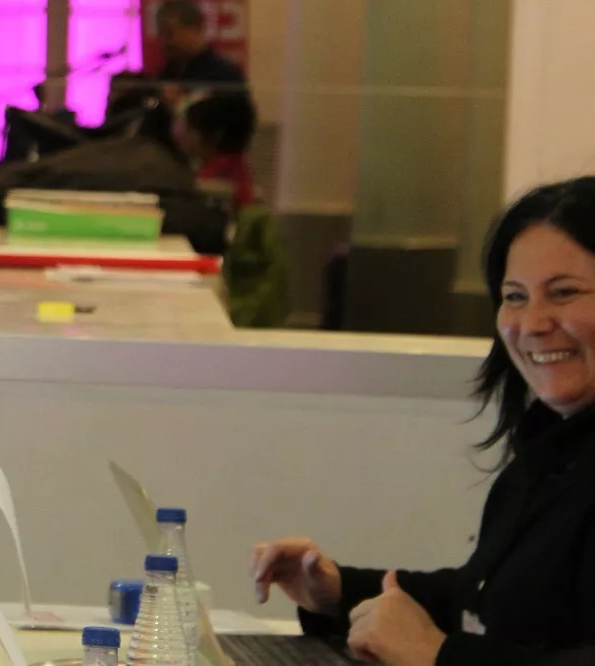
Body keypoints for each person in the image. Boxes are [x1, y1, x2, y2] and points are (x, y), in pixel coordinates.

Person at [252, 177, 595, 664]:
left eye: (564, 292)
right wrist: (339, 591)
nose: (531, 324)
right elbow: (489, 601)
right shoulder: (549, 448)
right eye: (515, 296)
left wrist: (437, 655)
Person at [179, 90, 259, 209]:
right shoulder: (241, 171)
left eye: (190, 129)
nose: (182, 135)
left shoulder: (208, 185)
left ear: (216, 136)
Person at [153, 0, 246, 89]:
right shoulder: (167, 75)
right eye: (161, 34)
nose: (165, 41)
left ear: (196, 28)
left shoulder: (224, 77)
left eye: (170, 33)